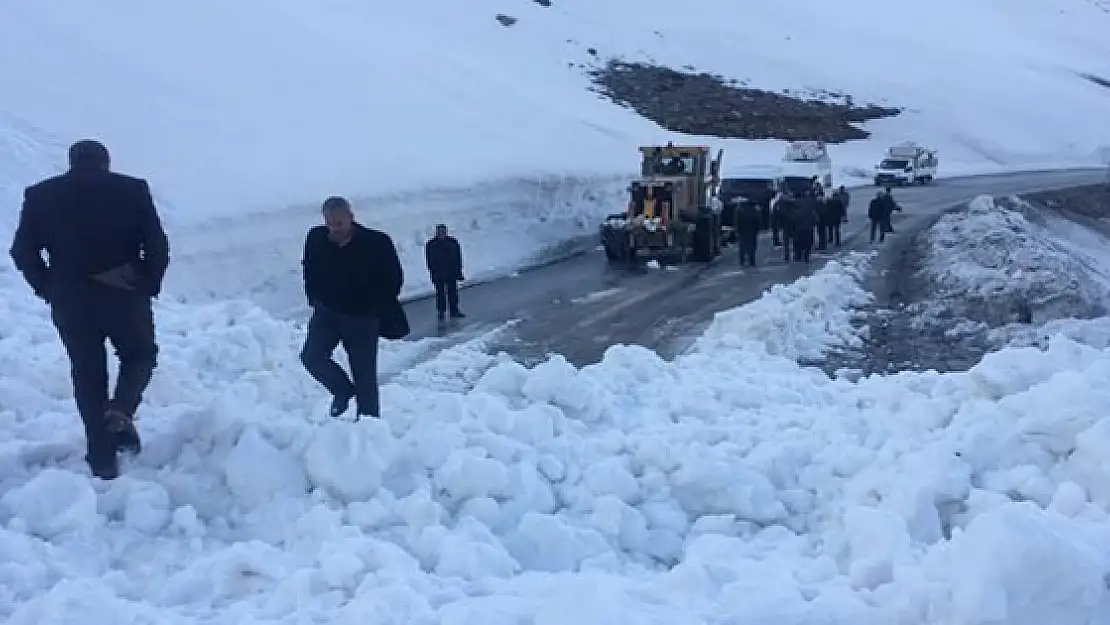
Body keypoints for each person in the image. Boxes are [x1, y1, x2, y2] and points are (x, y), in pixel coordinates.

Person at [9, 139, 170, 480]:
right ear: (105, 162)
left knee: (87, 372)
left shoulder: (41, 195)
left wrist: (48, 287)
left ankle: (102, 459)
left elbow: (22, 250)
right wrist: (146, 281)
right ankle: (122, 409)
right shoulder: (132, 189)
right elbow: (156, 243)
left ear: (71, 162)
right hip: (123, 293)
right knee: (140, 354)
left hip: (72, 299)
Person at [300, 196, 402, 420]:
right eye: (330, 222)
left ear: (351, 217)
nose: (335, 228)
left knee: (364, 375)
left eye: (339, 222)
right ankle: (342, 389)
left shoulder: (376, 242)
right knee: (312, 357)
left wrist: (372, 307)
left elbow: (393, 279)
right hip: (326, 313)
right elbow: (308, 267)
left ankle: (368, 426)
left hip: (361, 318)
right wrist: (314, 297)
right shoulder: (316, 238)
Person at [424, 223, 466, 322]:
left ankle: (454, 310)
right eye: (440, 232)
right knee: (440, 293)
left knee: (453, 292)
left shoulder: (452, 242)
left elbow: (457, 257)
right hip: (438, 273)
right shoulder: (431, 244)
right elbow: (429, 259)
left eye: (443, 232)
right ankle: (441, 311)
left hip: (451, 272)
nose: (442, 234)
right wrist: (433, 271)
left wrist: (458, 270)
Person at [734, 199, 761, 267]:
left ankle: (742, 260)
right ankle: (752, 261)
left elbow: (737, 221)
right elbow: (758, 220)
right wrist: (757, 229)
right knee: (752, 246)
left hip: (742, 230)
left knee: (742, 246)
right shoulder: (754, 210)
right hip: (752, 231)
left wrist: (737, 230)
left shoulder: (738, 210)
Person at [792, 196, 818, 263]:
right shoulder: (809, 211)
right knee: (807, 243)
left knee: (798, 243)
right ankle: (806, 257)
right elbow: (815, 219)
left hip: (798, 229)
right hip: (808, 228)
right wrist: (812, 224)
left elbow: (793, 220)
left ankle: (798, 256)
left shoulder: (796, 212)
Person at [772, 192, 796, 262]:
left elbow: (775, 213)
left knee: (786, 241)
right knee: (793, 240)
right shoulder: (793, 202)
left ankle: (787, 255)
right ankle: (795, 254)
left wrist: (776, 223)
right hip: (792, 223)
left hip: (784, 224)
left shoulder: (778, 203)